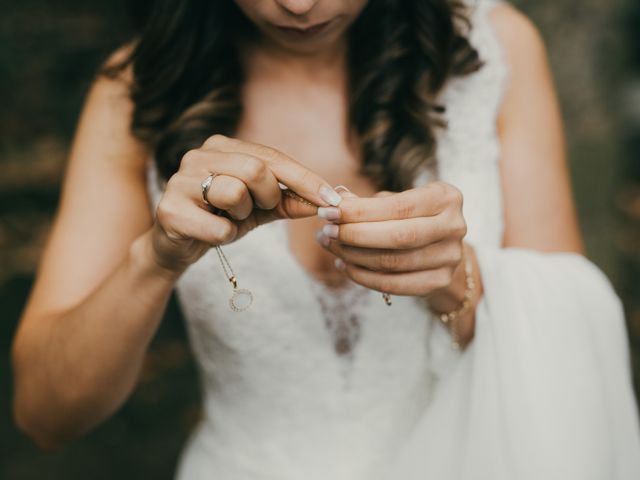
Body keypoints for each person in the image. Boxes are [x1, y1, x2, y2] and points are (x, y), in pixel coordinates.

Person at [11, 0, 640, 478]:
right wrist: (154, 258)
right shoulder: (134, 90)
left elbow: (567, 336)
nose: (300, 4)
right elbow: (45, 415)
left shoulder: (495, 47)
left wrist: (456, 279)